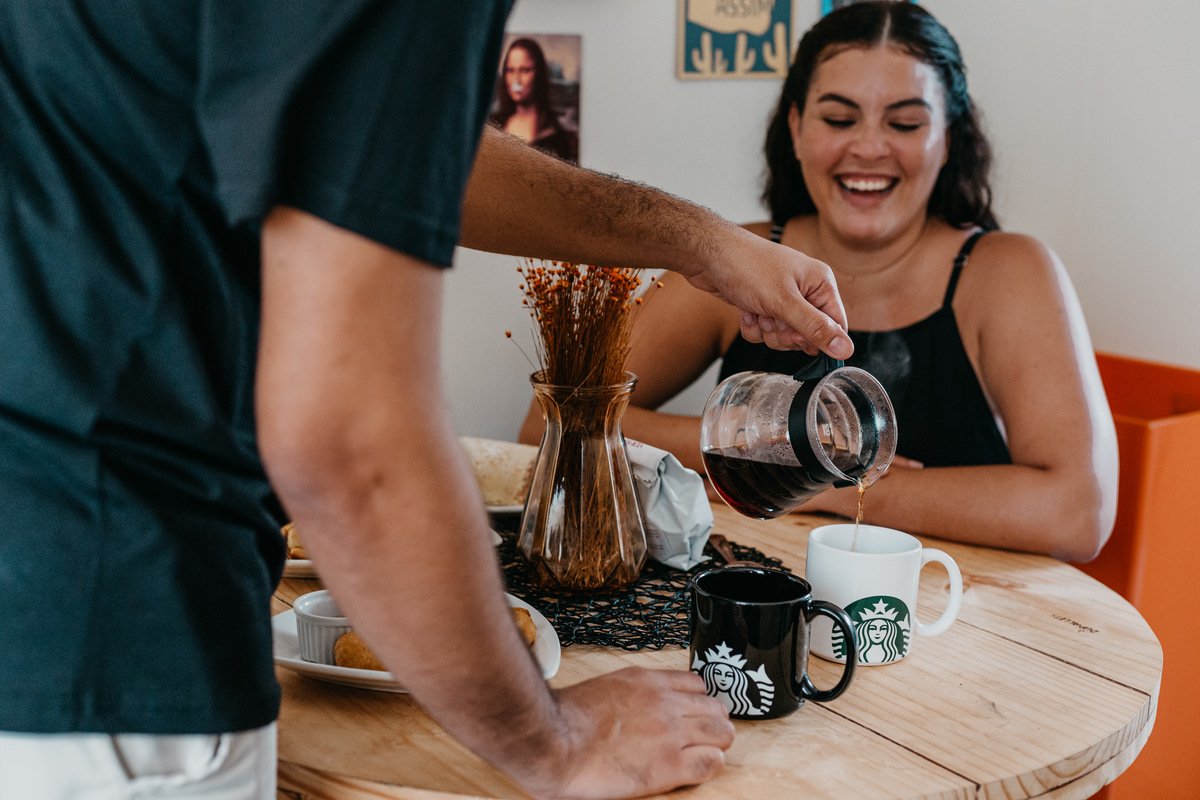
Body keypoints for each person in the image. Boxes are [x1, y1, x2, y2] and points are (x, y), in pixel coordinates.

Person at [0, 2, 854, 798]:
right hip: (100, 648)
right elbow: (349, 440)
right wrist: (550, 741)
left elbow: (374, 142)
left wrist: (696, 241)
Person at [522, 1, 1118, 563]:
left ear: (949, 140)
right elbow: (550, 423)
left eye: (905, 123)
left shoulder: (1008, 271)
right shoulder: (737, 257)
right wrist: (776, 442)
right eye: (839, 118)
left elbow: (1077, 513)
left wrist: (821, 482)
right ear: (797, 128)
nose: (869, 147)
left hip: (958, 618)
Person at [489, 37, 580, 163]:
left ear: (538, 73)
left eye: (525, 70)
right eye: (511, 70)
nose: (516, 80)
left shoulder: (555, 136)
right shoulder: (492, 124)